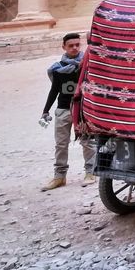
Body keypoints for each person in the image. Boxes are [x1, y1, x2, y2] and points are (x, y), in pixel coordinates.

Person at [41, 32, 96, 191]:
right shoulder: (58, 69)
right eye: (71, 45)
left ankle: (90, 173)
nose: (74, 48)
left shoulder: (86, 64)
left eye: (77, 45)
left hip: (82, 109)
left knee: (87, 141)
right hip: (63, 109)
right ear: (64, 47)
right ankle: (59, 177)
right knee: (61, 144)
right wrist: (45, 110)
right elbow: (54, 90)